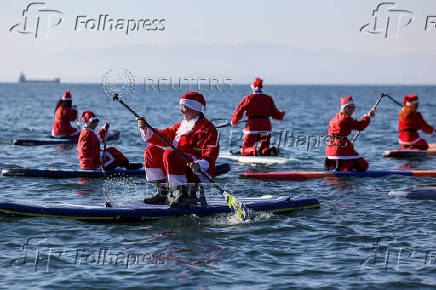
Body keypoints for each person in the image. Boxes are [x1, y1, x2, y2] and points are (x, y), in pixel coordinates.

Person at [137, 92, 219, 208]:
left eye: (183, 108)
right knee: (151, 150)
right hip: (177, 164)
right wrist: (146, 128)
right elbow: (162, 136)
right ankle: (163, 194)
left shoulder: (207, 128)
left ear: (194, 108)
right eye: (181, 108)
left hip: (196, 170)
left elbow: (211, 150)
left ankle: (185, 195)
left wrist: (200, 163)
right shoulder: (181, 126)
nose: (181, 111)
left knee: (170, 154)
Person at [231, 77, 285, 156]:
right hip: (266, 128)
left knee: (244, 150)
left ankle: (255, 150)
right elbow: (276, 114)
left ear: (253, 88)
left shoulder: (248, 98)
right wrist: (282, 114)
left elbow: (239, 111)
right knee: (264, 148)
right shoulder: (268, 98)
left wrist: (234, 121)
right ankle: (268, 151)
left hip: (252, 128)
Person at [77, 111, 142, 170]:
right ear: (88, 122)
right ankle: (126, 166)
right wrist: (100, 154)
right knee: (114, 157)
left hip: (94, 159)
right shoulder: (86, 133)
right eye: (93, 122)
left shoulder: (90, 131)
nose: (96, 123)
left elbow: (98, 138)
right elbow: (84, 152)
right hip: (90, 164)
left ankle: (126, 165)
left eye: (97, 121)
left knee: (112, 149)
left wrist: (103, 129)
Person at [325, 96, 376, 171]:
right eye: (349, 107)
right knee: (364, 165)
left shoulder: (333, 120)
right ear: (344, 108)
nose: (352, 110)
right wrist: (368, 116)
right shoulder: (345, 118)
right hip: (341, 149)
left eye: (353, 107)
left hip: (330, 149)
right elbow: (360, 126)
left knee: (344, 166)